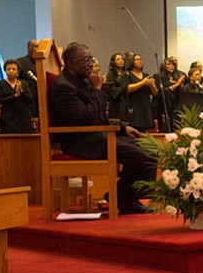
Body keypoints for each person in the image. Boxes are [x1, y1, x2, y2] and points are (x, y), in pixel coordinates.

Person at [49, 42, 156, 214]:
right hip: (80, 142)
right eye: (86, 60)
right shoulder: (64, 87)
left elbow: (98, 117)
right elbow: (86, 117)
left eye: (91, 59)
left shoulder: (83, 81)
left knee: (150, 150)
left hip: (95, 136)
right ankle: (122, 198)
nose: (91, 64)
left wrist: (122, 128)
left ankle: (124, 198)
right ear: (70, 62)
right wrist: (98, 90)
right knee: (139, 155)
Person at [0, 59, 34, 133]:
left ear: (18, 72)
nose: (11, 71)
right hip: (8, 116)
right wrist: (14, 96)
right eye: (8, 69)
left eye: (13, 69)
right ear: (5, 71)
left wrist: (21, 92)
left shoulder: (23, 83)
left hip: (23, 115)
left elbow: (30, 100)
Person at [120, 53, 158, 131]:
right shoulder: (126, 74)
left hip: (145, 107)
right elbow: (127, 89)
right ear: (131, 61)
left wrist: (152, 85)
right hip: (133, 107)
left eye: (140, 59)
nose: (139, 61)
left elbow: (155, 93)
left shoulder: (146, 75)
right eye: (137, 59)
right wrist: (143, 82)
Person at [153, 56, 186, 132]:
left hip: (176, 108)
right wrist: (176, 85)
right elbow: (161, 92)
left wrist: (181, 85)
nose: (171, 66)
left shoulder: (176, 77)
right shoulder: (158, 77)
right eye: (169, 64)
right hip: (163, 108)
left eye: (173, 65)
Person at [16, 39, 40, 117]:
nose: (39, 49)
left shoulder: (44, 63)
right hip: (28, 102)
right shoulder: (21, 62)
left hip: (42, 101)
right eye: (36, 46)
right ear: (29, 48)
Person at [104, 52, 127, 120]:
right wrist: (125, 88)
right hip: (115, 104)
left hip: (126, 103)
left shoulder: (126, 73)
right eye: (118, 59)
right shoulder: (111, 74)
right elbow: (113, 90)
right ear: (113, 62)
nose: (121, 61)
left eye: (122, 59)